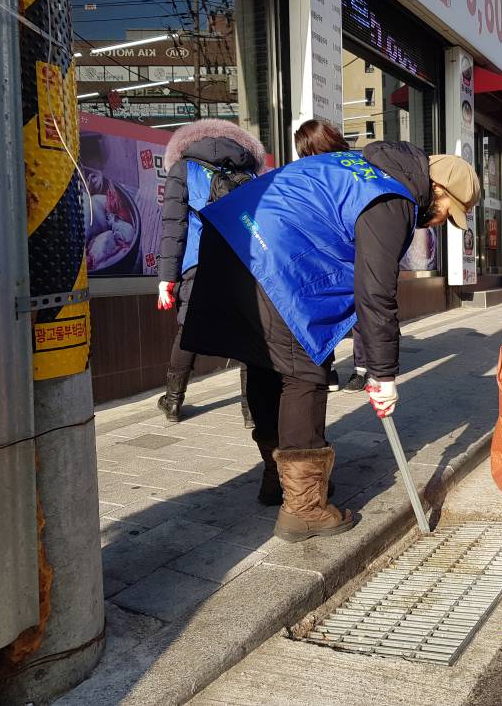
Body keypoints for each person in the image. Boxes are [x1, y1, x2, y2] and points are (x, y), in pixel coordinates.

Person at [181, 142, 481, 542]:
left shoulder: (363, 165)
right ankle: (304, 509)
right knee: (305, 372)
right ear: (437, 190)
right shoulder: (393, 198)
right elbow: (375, 291)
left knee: (266, 361)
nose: (440, 222)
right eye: (447, 212)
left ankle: (279, 480)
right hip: (272, 256)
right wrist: (384, 375)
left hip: (232, 240)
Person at [155, 119, 264, 425]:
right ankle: (251, 411)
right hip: (243, 263)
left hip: (198, 263)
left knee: (188, 328)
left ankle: (173, 402)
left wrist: (167, 278)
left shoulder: (184, 169)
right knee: (247, 334)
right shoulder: (249, 172)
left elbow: (174, 227)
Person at [292, 119, 368, 393]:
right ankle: (328, 367)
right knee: (325, 305)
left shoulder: (352, 166)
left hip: (352, 244)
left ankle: (363, 368)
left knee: (359, 306)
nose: (305, 158)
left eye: (307, 151)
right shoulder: (307, 172)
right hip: (321, 247)